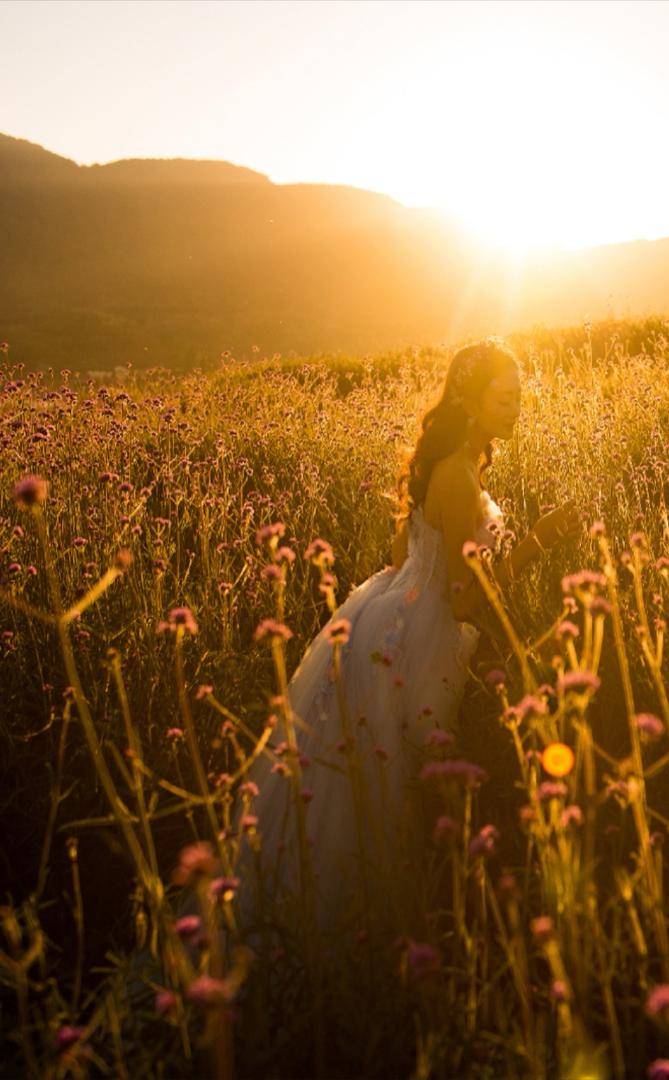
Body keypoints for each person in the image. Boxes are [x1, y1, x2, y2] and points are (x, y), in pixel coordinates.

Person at [235, 338, 579, 942]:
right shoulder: (457, 476)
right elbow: (464, 600)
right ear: (470, 402)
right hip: (418, 642)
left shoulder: (446, 465)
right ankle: (373, 933)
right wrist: (539, 542)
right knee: (398, 787)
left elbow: (403, 557)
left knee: (360, 783)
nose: (515, 409)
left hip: (384, 615)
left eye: (519, 397)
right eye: (503, 399)